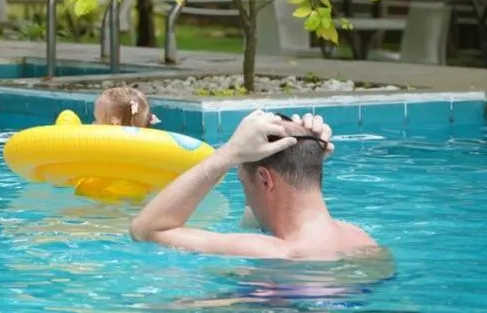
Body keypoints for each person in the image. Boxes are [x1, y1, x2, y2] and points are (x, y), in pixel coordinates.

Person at [130, 110, 379, 260]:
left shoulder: (272, 252)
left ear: (264, 179)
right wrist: (306, 153)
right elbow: (267, 213)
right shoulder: (363, 242)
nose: (247, 201)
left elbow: (146, 230)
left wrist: (228, 154)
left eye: (243, 185)